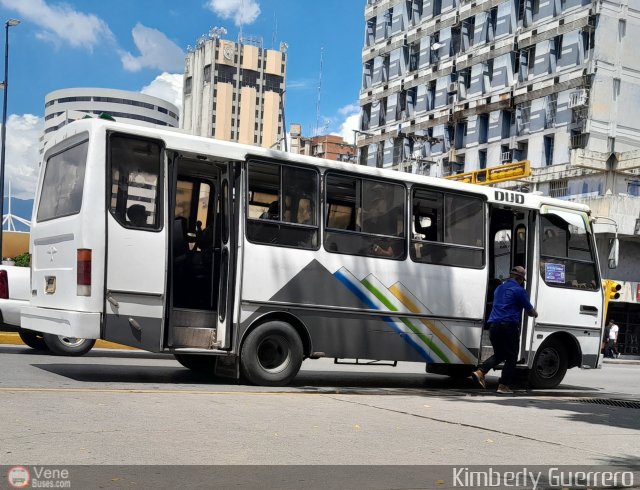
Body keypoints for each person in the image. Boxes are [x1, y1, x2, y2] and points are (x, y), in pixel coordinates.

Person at [471, 266, 538, 394]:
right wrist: (536, 314)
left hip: (494, 327)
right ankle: (503, 386)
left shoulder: (499, 288)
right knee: (512, 356)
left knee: (500, 354)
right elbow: (529, 311)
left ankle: (481, 371)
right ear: (520, 279)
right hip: (509, 326)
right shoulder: (519, 290)